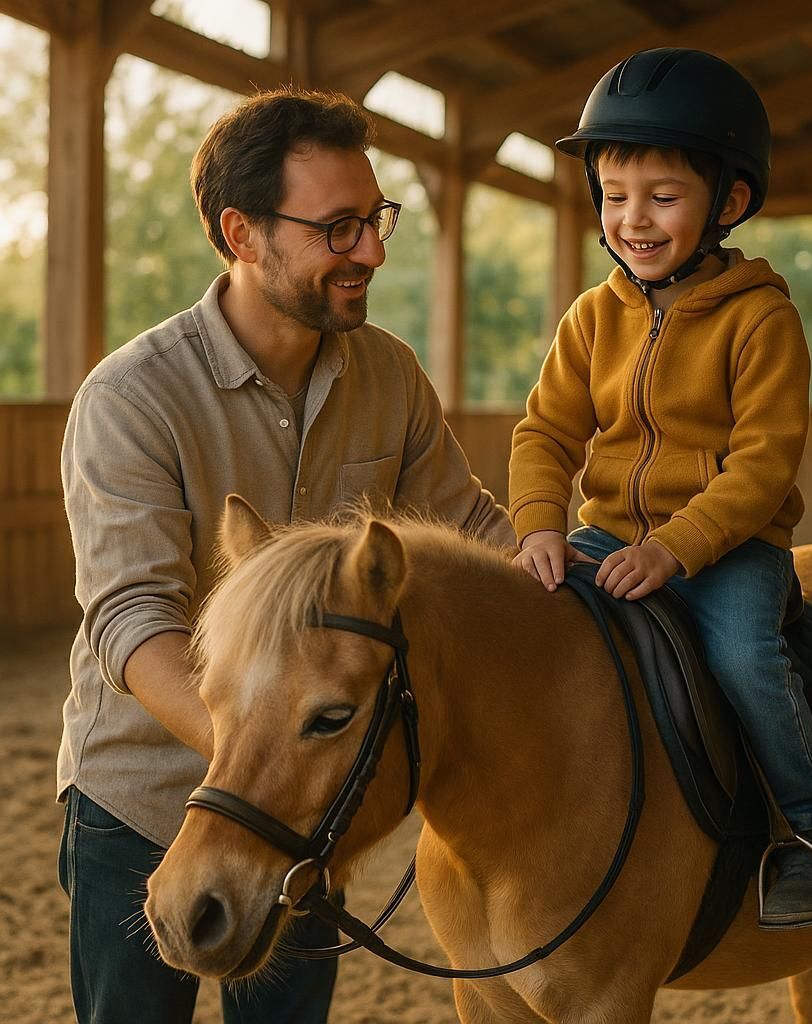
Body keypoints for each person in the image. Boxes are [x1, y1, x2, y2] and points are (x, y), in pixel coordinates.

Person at [59, 86, 514, 1023]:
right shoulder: (131, 399)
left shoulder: (390, 374)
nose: (372, 251)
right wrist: (264, 758)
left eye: (376, 220)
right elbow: (132, 620)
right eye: (338, 228)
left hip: (310, 810)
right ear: (242, 232)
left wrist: (583, 576)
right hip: (142, 801)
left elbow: (474, 532)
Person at [509, 48, 812, 929]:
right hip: (604, 535)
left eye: (662, 197)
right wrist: (539, 527)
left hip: (728, 549)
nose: (634, 219)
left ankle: (809, 830)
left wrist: (675, 548)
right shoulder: (591, 317)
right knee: (517, 630)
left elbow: (762, 466)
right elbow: (545, 433)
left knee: (744, 659)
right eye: (615, 196)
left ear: (727, 204)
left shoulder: (762, 319)